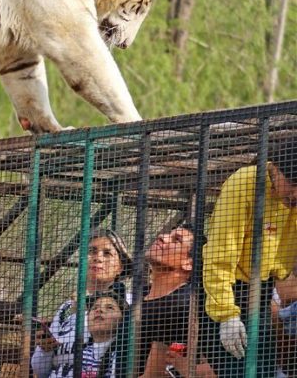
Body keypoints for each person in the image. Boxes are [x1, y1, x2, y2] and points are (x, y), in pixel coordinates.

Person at [202, 134, 297, 377]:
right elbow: (219, 254)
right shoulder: (245, 184)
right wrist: (226, 314)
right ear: (275, 170)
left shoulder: (291, 201)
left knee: (262, 369)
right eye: (294, 186)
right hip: (228, 293)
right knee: (232, 368)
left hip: (263, 293)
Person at [115, 226, 215, 378]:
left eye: (176, 240)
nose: (162, 236)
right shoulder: (139, 299)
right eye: (169, 234)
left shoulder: (188, 303)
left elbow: (216, 368)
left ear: (189, 263)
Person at [32, 229, 132, 377]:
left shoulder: (127, 302)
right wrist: (45, 349)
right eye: (92, 251)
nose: (97, 258)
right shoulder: (66, 308)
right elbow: (40, 370)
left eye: (107, 253)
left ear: (120, 267)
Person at [34, 291, 128, 378]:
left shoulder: (121, 355)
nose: (99, 310)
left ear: (123, 319)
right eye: (95, 307)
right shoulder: (81, 353)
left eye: (110, 307)